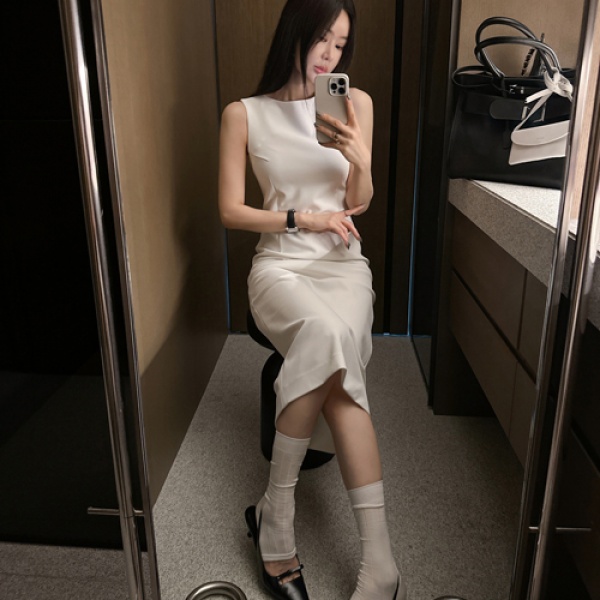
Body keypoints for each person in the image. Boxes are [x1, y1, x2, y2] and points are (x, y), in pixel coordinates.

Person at [218, 1, 407, 599]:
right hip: (280, 267)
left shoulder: (356, 103)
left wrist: (360, 160)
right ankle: (286, 524)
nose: (330, 54)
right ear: (295, 33)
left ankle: (347, 552)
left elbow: (359, 202)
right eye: (322, 38)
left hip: (343, 266)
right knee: (330, 343)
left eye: (340, 44)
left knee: (337, 358)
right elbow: (230, 211)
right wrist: (302, 217)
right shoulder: (243, 114)